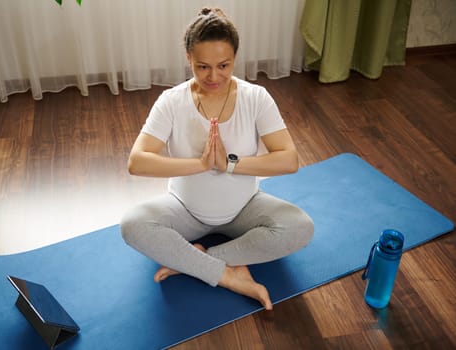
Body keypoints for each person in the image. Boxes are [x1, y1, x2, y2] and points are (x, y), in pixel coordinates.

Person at [120, 7, 314, 310]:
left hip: (244, 209)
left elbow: (288, 160)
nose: (214, 76)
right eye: (202, 67)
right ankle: (229, 275)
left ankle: (198, 260)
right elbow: (137, 161)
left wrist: (230, 163)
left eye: (223, 65)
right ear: (188, 59)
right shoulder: (171, 101)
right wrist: (200, 165)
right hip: (184, 210)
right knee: (133, 224)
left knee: (300, 227)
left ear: (235, 58)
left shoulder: (256, 97)